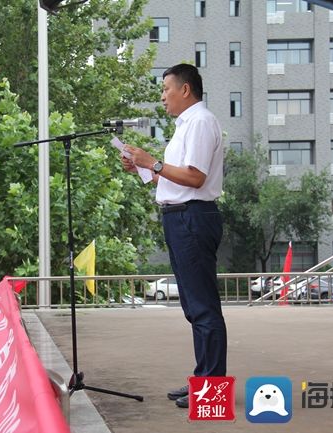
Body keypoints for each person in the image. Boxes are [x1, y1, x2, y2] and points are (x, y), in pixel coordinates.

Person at [120, 63, 226, 409]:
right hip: (180, 217)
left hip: (192, 218)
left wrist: (152, 162)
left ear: (184, 89)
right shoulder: (185, 126)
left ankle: (212, 389)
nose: (162, 96)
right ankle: (203, 380)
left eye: (166, 89)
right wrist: (142, 167)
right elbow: (171, 178)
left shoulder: (199, 121)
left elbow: (195, 178)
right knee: (194, 308)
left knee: (204, 308)